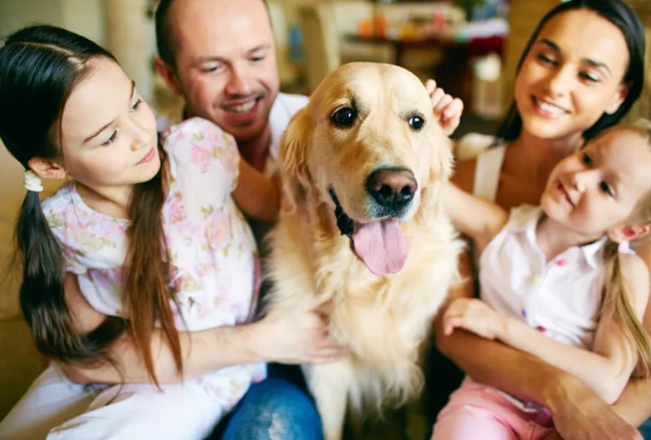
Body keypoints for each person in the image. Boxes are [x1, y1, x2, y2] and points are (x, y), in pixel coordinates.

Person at [0, 24, 346, 440]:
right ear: (52, 167)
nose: (140, 135)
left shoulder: (200, 149)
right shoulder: (66, 225)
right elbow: (83, 353)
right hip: (125, 367)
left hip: (204, 378)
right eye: (108, 136)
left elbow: (278, 205)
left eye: (134, 104)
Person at [152, 0, 463, 437]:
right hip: (216, 373)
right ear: (169, 75)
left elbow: (441, 188)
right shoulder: (143, 163)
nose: (242, 84)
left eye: (257, 56)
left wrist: (425, 134)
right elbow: (86, 344)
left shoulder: (306, 115)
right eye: (212, 67)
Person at [429, 1, 651, 439]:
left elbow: (634, 373)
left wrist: (579, 422)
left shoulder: (638, 201)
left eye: (588, 75)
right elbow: (452, 332)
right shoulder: (481, 189)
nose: (555, 84)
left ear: (620, 94)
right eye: (546, 58)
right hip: (490, 402)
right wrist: (423, 129)